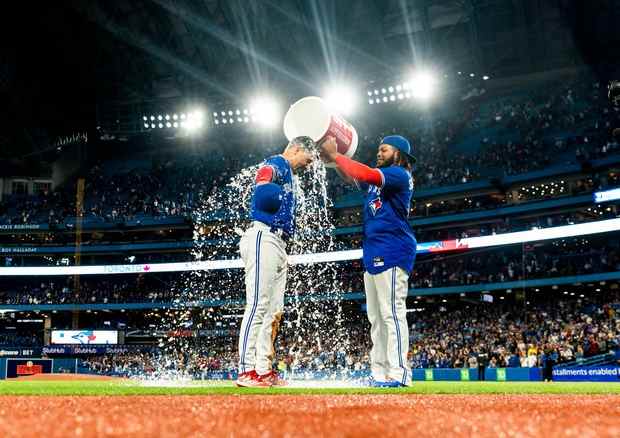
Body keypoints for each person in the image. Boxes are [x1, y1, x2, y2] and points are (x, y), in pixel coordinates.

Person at [321, 134, 416, 387]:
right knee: (376, 317)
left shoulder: (399, 174)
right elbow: (353, 176)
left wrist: (336, 155)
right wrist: (334, 161)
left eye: (384, 149)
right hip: (373, 248)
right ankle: (379, 372)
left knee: (391, 314)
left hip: (393, 248)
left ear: (399, 154)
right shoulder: (379, 180)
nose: (379, 153)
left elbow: (364, 174)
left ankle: (399, 373)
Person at [235, 136, 315, 387]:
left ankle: (263, 369)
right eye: (307, 159)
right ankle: (246, 369)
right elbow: (263, 184)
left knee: (273, 311)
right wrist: (271, 192)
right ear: (297, 149)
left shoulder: (290, 174)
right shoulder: (277, 163)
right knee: (258, 305)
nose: (308, 165)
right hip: (263, 235)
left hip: (279, 243)